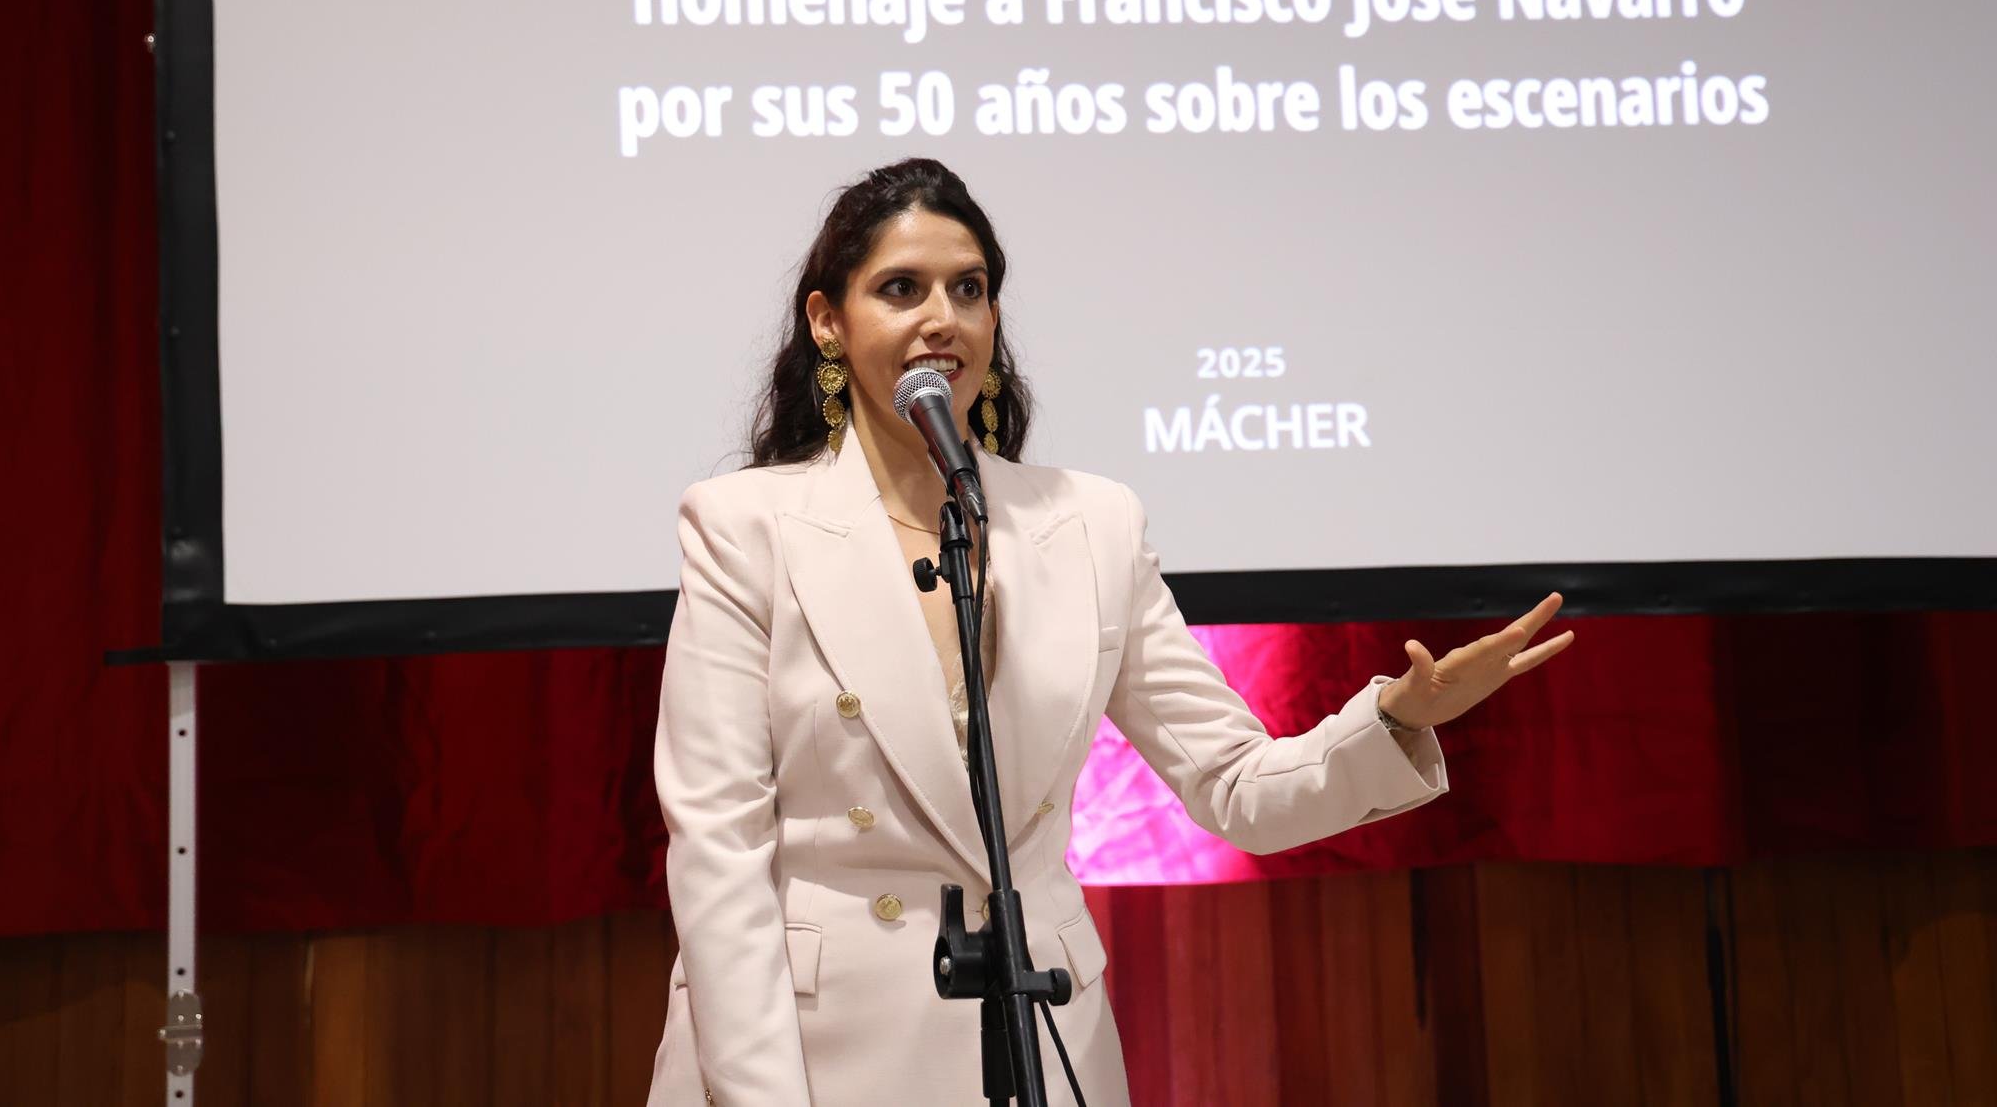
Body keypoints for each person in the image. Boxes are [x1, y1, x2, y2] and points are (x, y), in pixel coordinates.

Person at [646, 158, 1574, 1106]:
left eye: (969, 288)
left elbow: (1234, 783)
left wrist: (1398, 718)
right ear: (827, 322)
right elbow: (719, 849)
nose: (942, 318)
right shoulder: (744, 527)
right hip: (811, 1051)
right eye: (900, 289)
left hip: (1039, 1040)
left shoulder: (1091, 524)